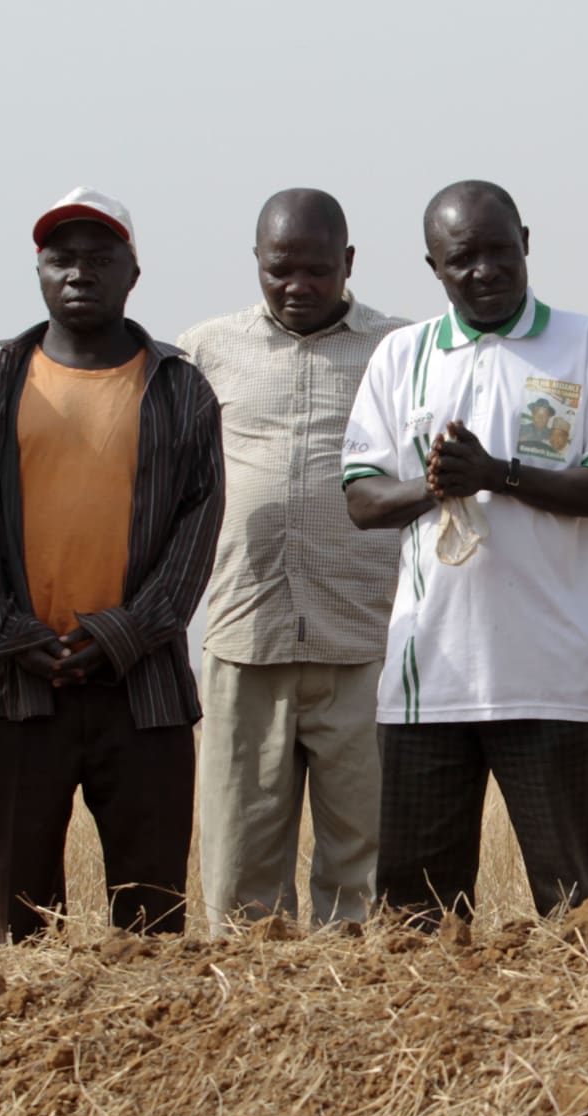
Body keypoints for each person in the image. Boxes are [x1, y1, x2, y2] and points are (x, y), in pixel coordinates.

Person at [343, 179, 588, 922]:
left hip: (552, 680)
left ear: (527, 243)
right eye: (461, 258)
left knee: (575, 912)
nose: (484, 271)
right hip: (426, 686)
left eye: (499, 252)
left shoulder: (586, 343)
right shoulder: (402, 356)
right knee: (418, 918)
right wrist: (437, 485)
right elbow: (360, 497)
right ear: (433, 266)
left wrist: (499, 475)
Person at [0, 188, 224, 943]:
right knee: (17, 930)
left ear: (134, 272)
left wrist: (121, 634)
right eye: (60, 259)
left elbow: (197, 535)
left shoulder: (181, 388)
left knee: (151, 924)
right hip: (19, 689)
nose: (78, 273)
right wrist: (12, 633)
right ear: (37, 270)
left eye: (99, 260)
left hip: (144, 693)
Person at [178, 190, 405, 930]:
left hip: (365, 640)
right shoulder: (206, 350)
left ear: (348, 263)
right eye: (280, 271)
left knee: (364, 872)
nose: (297, 286)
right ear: (256, 263)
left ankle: (359, 1021)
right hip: (248, 638)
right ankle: (247, 1021)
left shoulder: (400, 349)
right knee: (240, 875)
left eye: (315, 269)